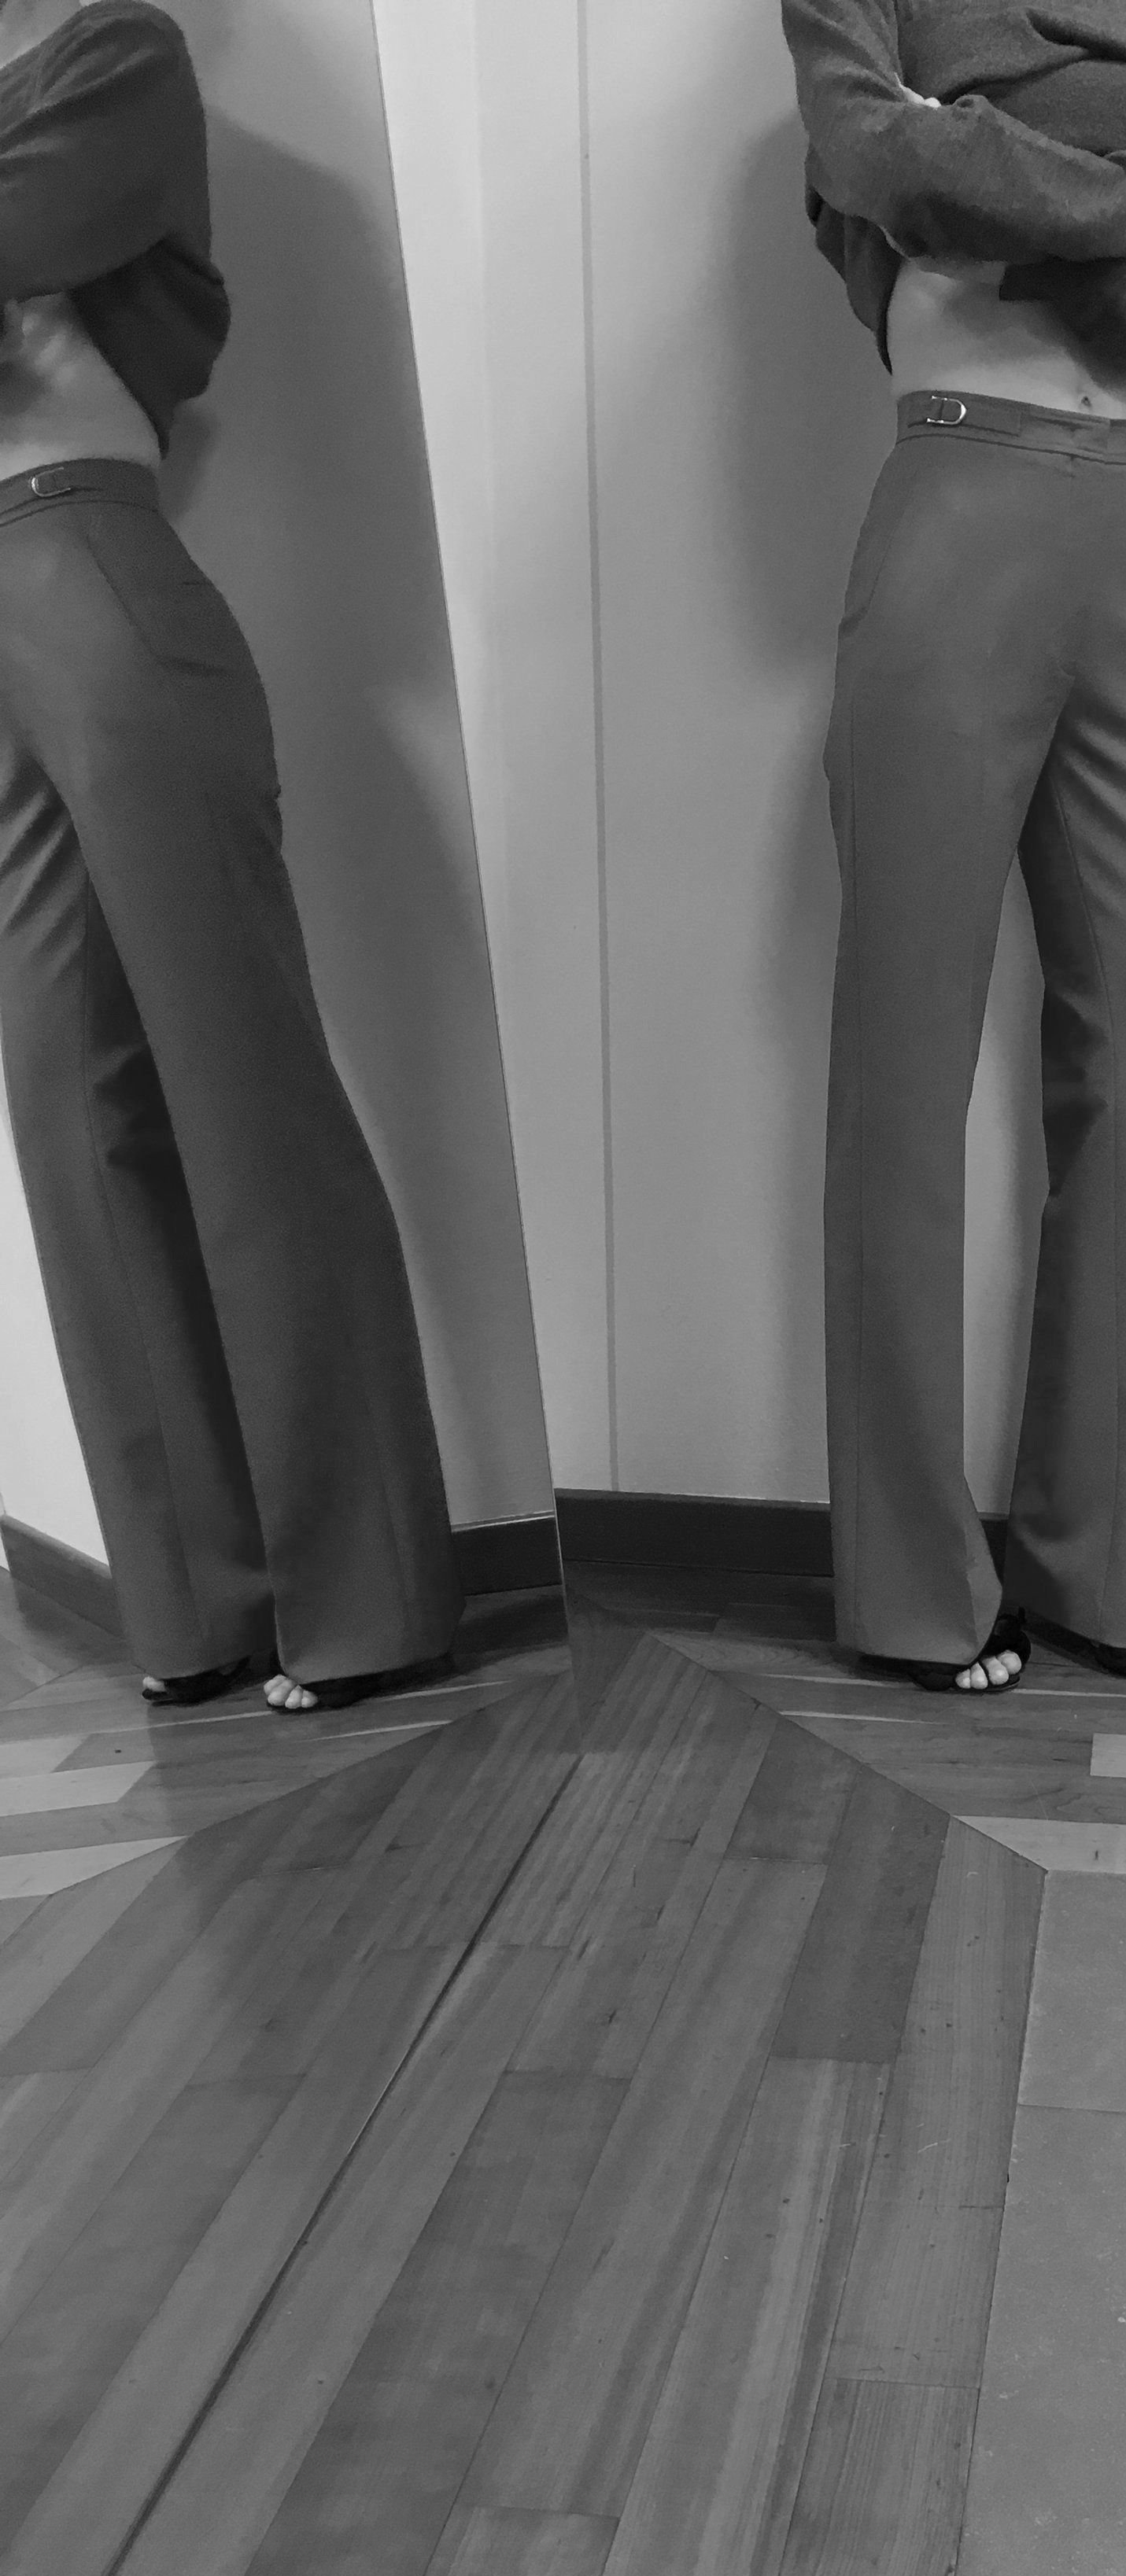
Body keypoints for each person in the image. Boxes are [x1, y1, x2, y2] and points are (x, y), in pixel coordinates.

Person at [781, 0, 1126, 1693]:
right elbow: (883, 157)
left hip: (1121, 545)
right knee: (905, 1073)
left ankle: (1113, 1558)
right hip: (954, 509)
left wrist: (1015, 210)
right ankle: (911, 1586)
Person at [0, 0, 461, 1712]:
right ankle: (196, 1600)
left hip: (95, 566)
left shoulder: (114, 53)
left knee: (241, 1088)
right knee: (72, 1114)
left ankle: (370, 1595)